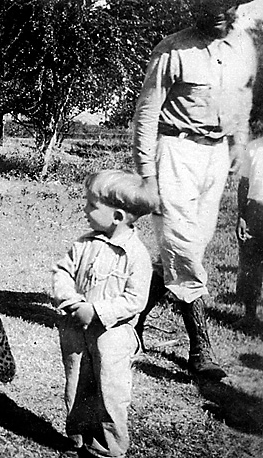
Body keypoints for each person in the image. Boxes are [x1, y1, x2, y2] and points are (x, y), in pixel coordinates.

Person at [131, 0, 257, 381]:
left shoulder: (243, 49)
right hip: (175, 152)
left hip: (214, 156)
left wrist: (238, 143)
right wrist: (147, 175)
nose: (220, 12)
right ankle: (200, 346)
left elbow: (241, 100)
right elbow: (146, 114)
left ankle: (133, 319)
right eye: (210, 4)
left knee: (186, 248)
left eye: (228, 4)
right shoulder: (173, 50)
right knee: (182, 247)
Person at [53, 170, 157, 458]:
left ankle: (108, 447)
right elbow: (62, 272)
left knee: (109, 391)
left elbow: (135, 300)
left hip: (112, 335)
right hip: (75, 328)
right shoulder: (84, 244)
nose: (85, 209)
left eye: (91, 205)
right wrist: (72, 301)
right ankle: (78, 435)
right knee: (76, 382)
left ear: (118, 217)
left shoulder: (136, 255)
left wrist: (97, 311)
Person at [235, 121, 263, 327]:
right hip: (255, 210)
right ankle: (249, 315)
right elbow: (243, 184)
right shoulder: (253, 148)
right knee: (250, 263)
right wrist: (241, 217)